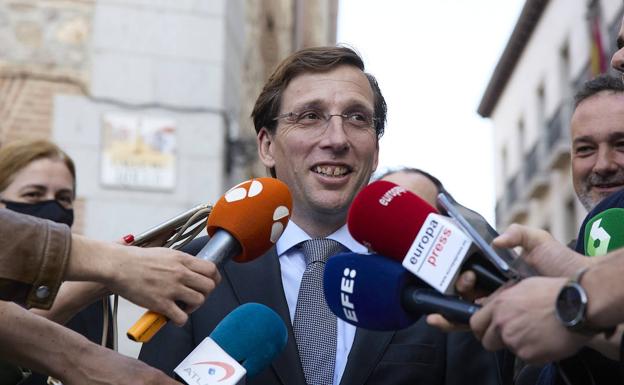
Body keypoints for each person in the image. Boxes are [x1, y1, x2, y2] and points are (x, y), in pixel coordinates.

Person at [139, 46, 504, 385]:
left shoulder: (436, 273)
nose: (336, 138)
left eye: (357, 118)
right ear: (267, 145)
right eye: (310, 116)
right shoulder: (198, 267)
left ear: (375, 152)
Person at [468, 74, 624, 373]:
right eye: (585, 149)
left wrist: (568, 309)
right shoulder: (540, 278)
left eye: (622, 143)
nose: (603, 165)